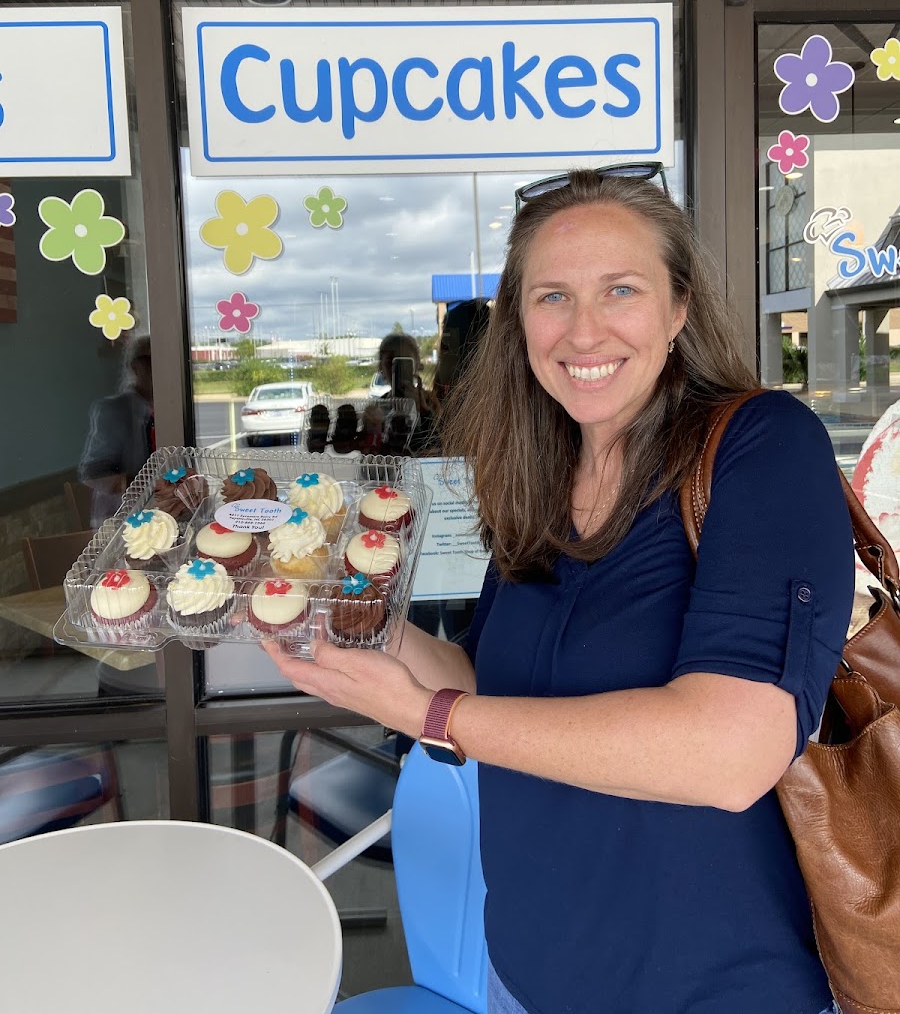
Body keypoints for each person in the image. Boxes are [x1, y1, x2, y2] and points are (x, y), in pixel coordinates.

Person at [264, 169, 853, 1014]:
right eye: (550, 297)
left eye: (621, 289)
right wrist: (360, 613)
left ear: (679, 308)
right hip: (526, 976)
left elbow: (732, 754)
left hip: (713, 988)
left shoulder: (763, 448)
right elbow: (486, 684)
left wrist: (429, 718)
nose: (584, 331)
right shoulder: (542, 473)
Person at [79, 333, 154, 526]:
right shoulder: (113, 410)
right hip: (121, 518)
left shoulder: (172, 410)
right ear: (136, 366)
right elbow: (93, 472)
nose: (160, 368)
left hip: (162, 513)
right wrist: (144, 484)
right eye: (150, 360)